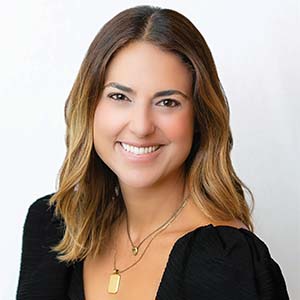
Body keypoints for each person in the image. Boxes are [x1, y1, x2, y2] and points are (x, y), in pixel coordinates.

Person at [16, 5, 290, 300]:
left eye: (167, 102)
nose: (141, 126)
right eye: (120, 97)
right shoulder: (52, 227)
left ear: (199, 118)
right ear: (90, 106)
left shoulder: (228, 261)